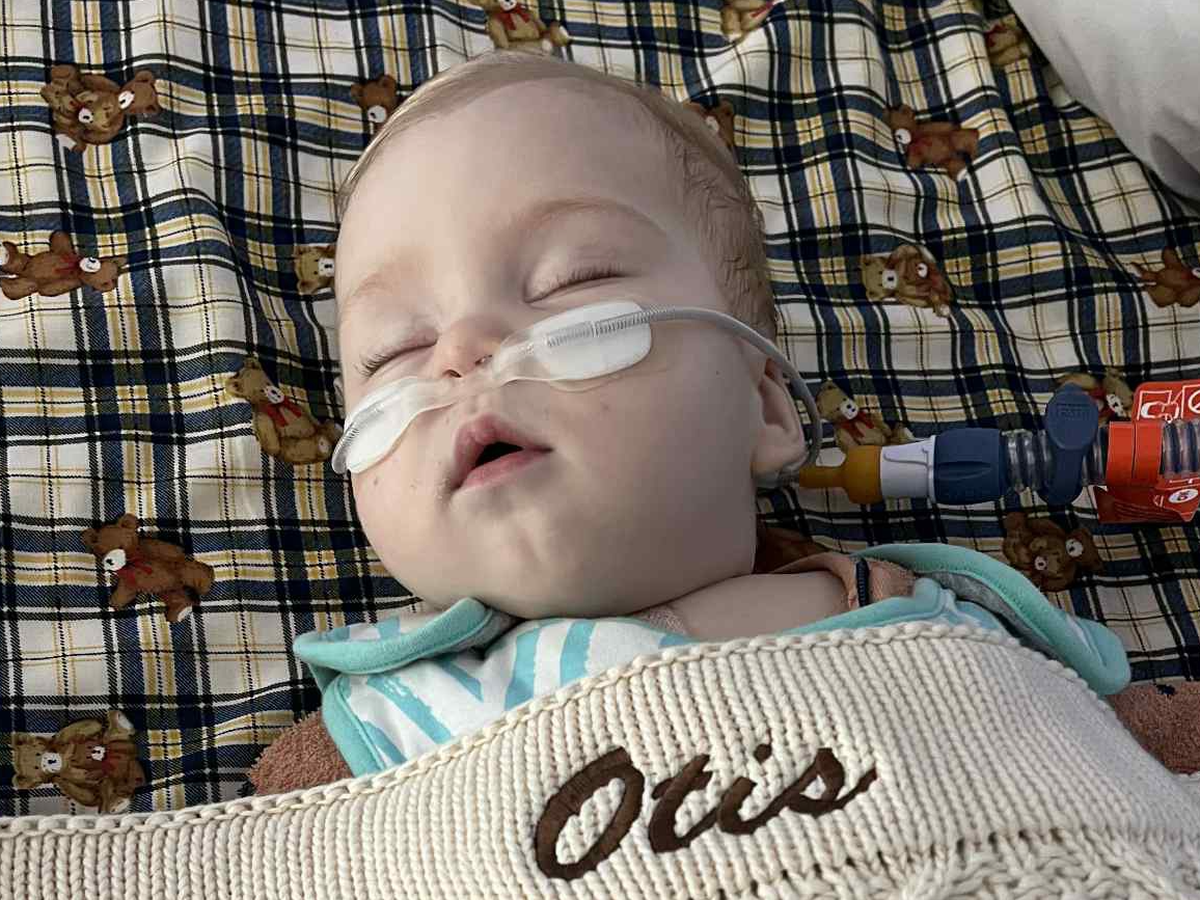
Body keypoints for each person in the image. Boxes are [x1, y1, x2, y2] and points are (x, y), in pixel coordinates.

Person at [247, 50, 1137, 791]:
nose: (461, 351)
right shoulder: (391, 729)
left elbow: (1146, 764)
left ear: (764, 406)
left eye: (572, 280)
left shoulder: (940, 619)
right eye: (394, 350)